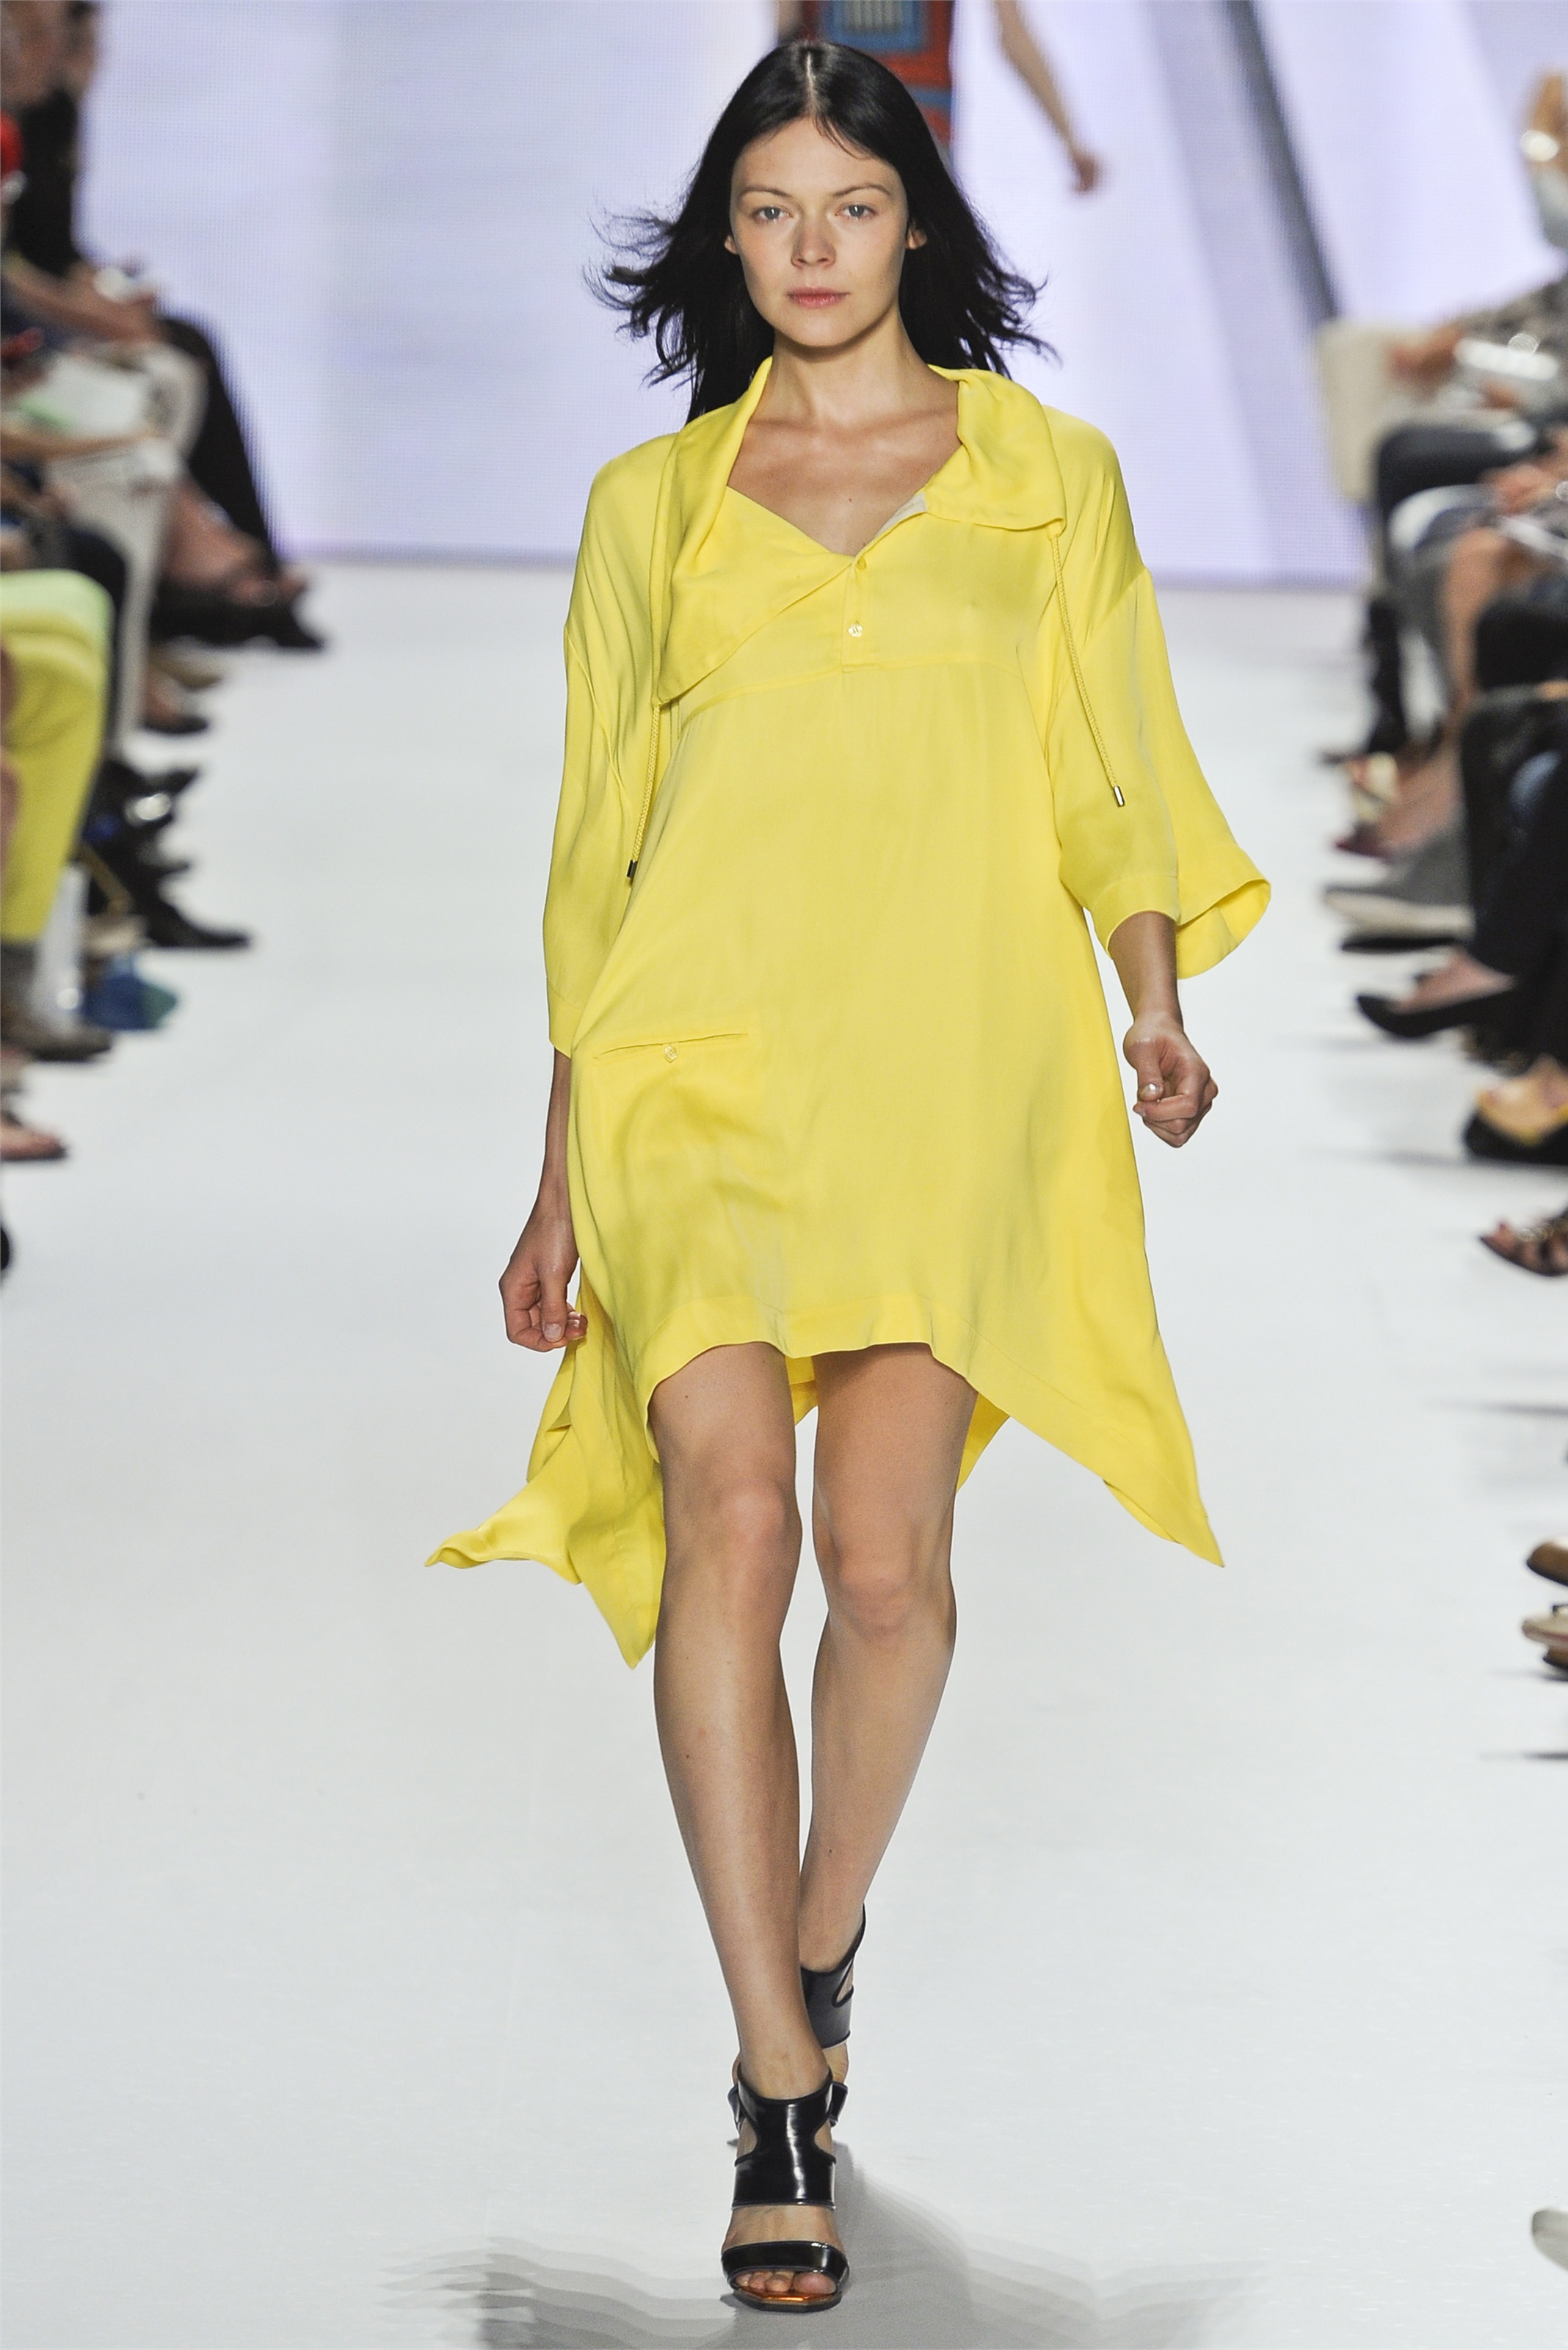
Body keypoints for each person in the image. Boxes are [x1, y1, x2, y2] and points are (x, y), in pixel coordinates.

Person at [433, 40, 1263, 2315]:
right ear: (726, 237)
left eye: (854, 207)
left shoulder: (1045, 476)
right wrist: (556, 1171)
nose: (814, 250)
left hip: (955, 1060)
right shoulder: (650, 507)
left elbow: (1114, 763)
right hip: (693, 1069)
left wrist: (1154, 998)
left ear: (918, 224)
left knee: (887, 1571)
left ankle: (813, 1937)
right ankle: (779, 2086)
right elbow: (599, 850)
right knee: (737, 1520)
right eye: (773, 210)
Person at [777, 0, 1102, 189]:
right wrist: (1068, 137)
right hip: (922, 132)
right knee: (926, 271)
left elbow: (788, 32)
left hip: (828, 124)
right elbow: (1014, 37)